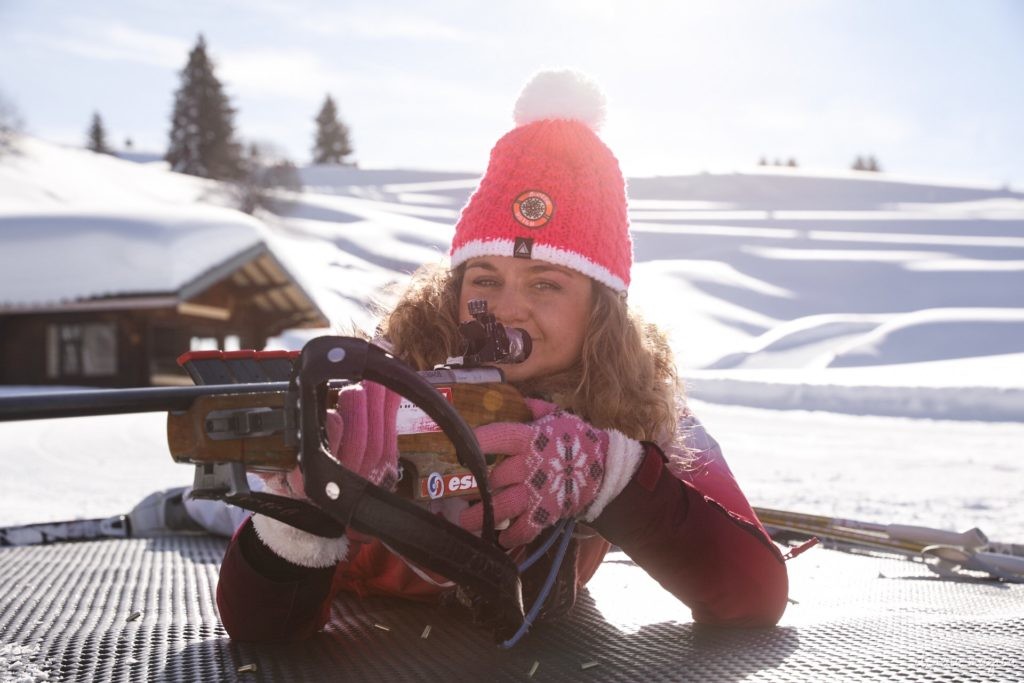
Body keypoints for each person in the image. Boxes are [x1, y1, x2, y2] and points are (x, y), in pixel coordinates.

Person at [216, 69, 789, 641]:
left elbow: (755, 594)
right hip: (378, 622)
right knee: (212, 505)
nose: (506, 310)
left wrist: (610, 477)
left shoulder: (637, 410)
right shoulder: (386, 381)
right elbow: (260, 632)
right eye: (484, 280)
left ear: (600, 311)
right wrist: (304, 512)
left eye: (545, 284)